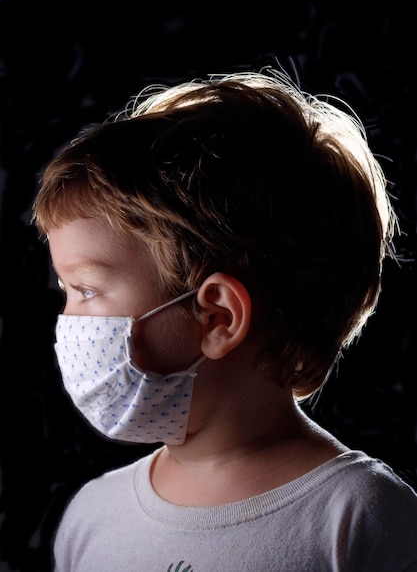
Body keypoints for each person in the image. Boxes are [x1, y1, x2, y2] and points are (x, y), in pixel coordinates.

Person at [32, 67, 417, 571]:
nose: (67, 321)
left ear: (218, 317)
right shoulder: (91, 516)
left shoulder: (361, 516)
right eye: (66, 291)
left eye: (85, 290)